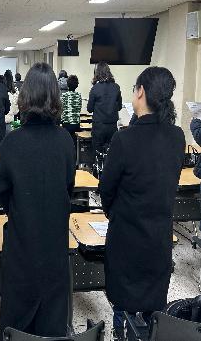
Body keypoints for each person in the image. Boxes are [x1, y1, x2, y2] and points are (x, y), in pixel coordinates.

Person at [99, 67, 185, 341]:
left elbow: (106, 189)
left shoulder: (124, 139)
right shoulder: (177, 137)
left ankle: (120, 331)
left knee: (122, 302)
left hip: (126, 236)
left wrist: (115, 214)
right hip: (159, 237)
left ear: (141, 92)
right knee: (153, 306)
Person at [0, 62, 75, 339]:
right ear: (55, 97)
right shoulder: (66, 141)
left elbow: (2, 191)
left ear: (25, 96)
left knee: (17, 324)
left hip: (22, 244)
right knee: (52, 323)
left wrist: (20, 211)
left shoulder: (11, 143)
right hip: (55, 244)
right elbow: (68, 187)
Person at [87, 62, 122, 155]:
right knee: (111, 154)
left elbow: (89, 109)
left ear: (97, 73)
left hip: (99, 126)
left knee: (97, 153)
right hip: (112, 126)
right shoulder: (116, 87)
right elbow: (119, 107)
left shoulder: (95, 88)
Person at [61, 75, 82, 146]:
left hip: (66, 123)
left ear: (67, 85)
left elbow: (61, 109)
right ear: (77, 85)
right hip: (76, 123)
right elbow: (79, 108)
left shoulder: (64, 95)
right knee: (74, 139)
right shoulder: (79, 95)